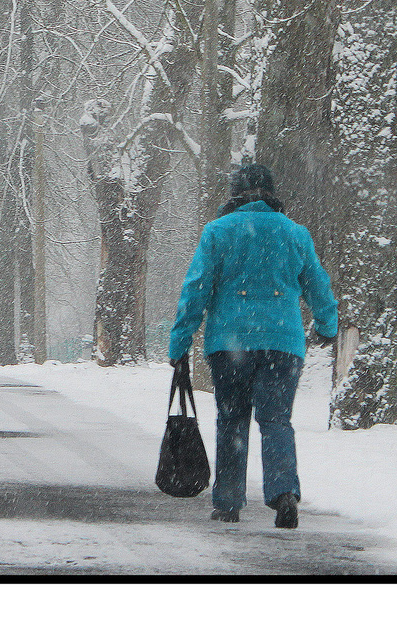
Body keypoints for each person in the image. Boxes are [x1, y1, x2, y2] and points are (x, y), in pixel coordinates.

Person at [166, 163, 338, 529]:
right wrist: (328, 325)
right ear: (272, 193)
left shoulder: (218, 233)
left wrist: (180, 341)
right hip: (282, 343)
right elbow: (317, 284)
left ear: (234, 194)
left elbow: (195, 289)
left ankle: (229, 501)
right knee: (276, 420)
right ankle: (284, 493)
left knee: (232, 419)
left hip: (230, 343)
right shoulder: (295, 234)